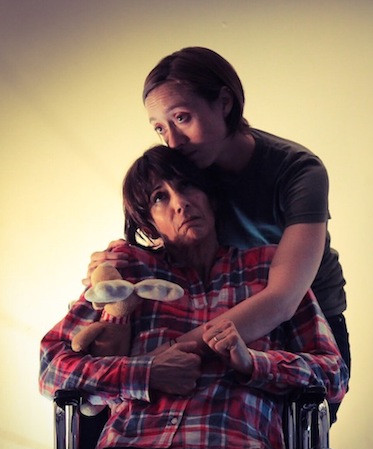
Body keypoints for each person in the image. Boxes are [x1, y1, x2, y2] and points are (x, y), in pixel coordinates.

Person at [40, 146, 348, 449]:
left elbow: (334, 375)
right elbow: (51, 366)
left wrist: (254, 364)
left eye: (188, 187)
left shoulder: (270, 272)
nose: (180, 203)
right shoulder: (127, 277)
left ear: (212, 197)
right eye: (160, 197)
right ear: (148, 224)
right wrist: (146, 373)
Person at [88, 47, 350, 422]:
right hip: (218, 311)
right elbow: (171, 238)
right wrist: (113, 268)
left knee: (296, 435)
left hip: (305, 320)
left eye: (182, 117)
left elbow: (283, 300)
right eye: (160, 127)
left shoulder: (298, 172)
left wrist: (169, 350)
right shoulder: (192, 169)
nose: (173, 140)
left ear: (224, 102)